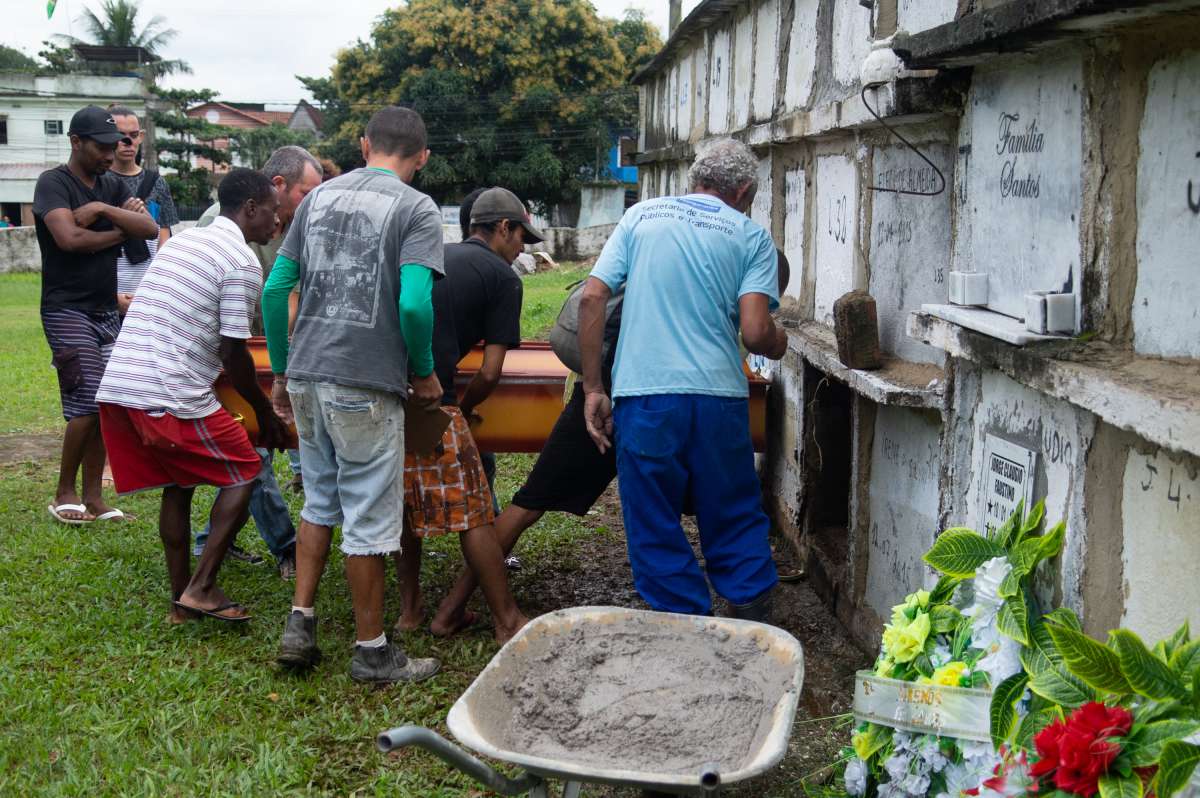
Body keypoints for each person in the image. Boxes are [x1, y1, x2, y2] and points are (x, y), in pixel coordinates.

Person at [263, 106, 442, 684]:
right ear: (422, 157)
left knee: (319, 501)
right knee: (367, 518)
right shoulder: (416, 208)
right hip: (364, 383)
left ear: (364, 145)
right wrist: (425, 372)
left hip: (309, 375)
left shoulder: (315, 199)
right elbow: (414, 304)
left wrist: (283, 373)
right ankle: (372, 651)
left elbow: (275, 290)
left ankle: (301, 622)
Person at [579, 139, 789, 621]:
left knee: (652, 514)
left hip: (645, 395)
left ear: (694, 180)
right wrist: (778, 342)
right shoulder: (750, 236)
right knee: (732, 505)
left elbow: (592, 298)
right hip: (718, 398)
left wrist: (594, 388)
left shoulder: (640, 218)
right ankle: (751, 616)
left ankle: (680, 623)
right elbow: (756, 332)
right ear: (745, 190)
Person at [96, 168, 290, 623]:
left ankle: (179, 603)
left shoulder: (181, 241)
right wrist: (266, 413)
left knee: (178, 486)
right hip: (170, 392)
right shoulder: (241, 262)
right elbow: (234, 354)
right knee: (244, 470)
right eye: (274, 214)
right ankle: (202, 587)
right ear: (251, 209)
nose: (277, 224)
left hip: (123, 385)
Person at [395, 187, 535, 643]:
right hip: (434, 398)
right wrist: (465, 409)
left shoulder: (435, 256)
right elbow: (492, 372)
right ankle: (506, 619)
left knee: (404, 506)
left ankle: (411, 610)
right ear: (501, 228)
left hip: (388, 391)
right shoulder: (503, 278)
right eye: (520, 238)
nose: (520, 250)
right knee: (476, 511)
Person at [191, 146, 323, 579]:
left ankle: (210, 540)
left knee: (259, 445)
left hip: (271, 349)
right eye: (306, 192)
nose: (312, 202)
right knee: (256, 450)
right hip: (233, 352)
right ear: (277, 189)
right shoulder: (222, 224)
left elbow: (293, 295)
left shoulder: (293, 223)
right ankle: (286, 547)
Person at [35, 105, 160, 525]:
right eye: (102, 146)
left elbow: (147, 229)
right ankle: (63, 492)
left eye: (116, 145)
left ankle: (94, 497)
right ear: (76, 141)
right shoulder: (53, 184)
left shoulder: (107, 185)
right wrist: (118, 230)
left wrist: (105, 212)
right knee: (86, 402)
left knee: (108, 403)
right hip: (66, 309)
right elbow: (68, 239)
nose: (111, 153)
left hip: (106, 308)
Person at [107, 105, 179, 305]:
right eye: (120, 135)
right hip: (106, 285)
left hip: (147, 289)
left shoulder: (157, 182)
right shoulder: (96, 181)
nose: (127, 141)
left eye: (133, 134)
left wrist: (155, 286)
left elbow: (164, 236)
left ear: (141, 136)